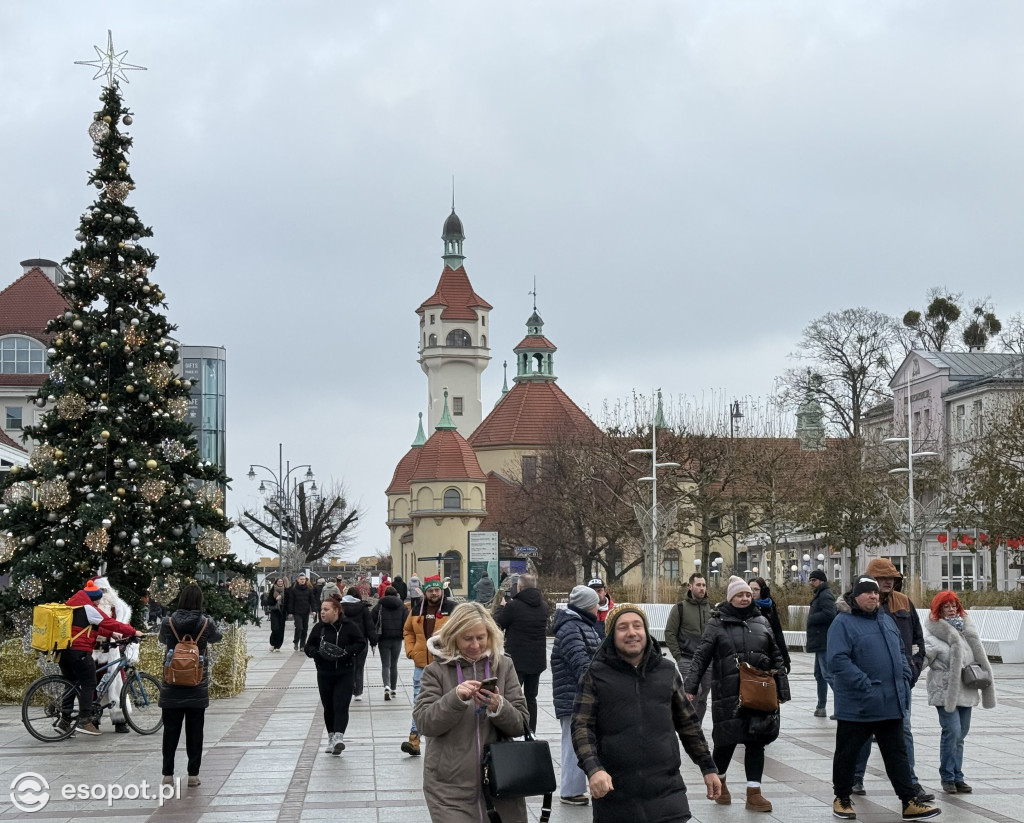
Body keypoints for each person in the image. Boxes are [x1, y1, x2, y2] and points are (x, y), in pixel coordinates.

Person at [572, 604, 722, 822]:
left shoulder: (667, 671)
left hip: (667, 791)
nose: (632, 633)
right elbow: (581, 726)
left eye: (637, 626)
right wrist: (593, 769)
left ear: (646, 631)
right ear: (611, 636)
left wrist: (707, 766)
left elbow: (688, 723)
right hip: (615, 793)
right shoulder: (595, 675)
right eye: (622, 627)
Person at [828, 576, 940, 821]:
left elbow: (900, 649)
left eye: (876, 593)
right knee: (848, 754)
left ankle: (909, 801)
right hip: (858, 705)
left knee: (896, 754)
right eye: (868, 593)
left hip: (890, 702)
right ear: (856, 595)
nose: (874, 597)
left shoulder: (885, 619)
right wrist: (865, 685)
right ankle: (842, 799)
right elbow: (837, 660)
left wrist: (905, 675)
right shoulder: (843, 622)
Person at [414, 601, 530, 823]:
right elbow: (425, 723)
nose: (475, 645)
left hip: (502, 780)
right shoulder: (435, 671)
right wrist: (454, 699)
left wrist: (499, 706)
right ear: (454, 636)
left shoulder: (504, 666)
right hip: (448, 787)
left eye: (481, 637)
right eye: (468, 638)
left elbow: (521, 723)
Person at [684, 576, 790, 812]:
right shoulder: (717, 623)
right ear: (730, 597)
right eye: (739, 595)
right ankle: (720, 782)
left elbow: (776, 656)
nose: (744, 598)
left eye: (747, 595)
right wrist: (691, 687)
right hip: (728, 694)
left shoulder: (762, 621)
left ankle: (754, 792)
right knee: (726, 741)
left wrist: (782, 688)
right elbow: (701, 656)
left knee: (757, 741)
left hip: (758, 693)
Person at [852, 558, 932, 801]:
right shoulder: (857, 605)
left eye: (892, 578)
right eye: (882, 578)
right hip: (868, 683)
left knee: (904, 731)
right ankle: (855, 777)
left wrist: (913, 670)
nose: (888, 582)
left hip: (900, 683)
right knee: (863, 733)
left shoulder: (904, 602)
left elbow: (918, 641)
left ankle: (911, 783)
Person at [923, 591, 996, 794]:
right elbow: (921, 661)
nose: (952, 609)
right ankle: (947, 776)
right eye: (946, 606)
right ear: (938, 610)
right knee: (952, 731)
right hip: (945, 690)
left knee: (961, 735)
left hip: (966, 689)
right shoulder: (933, 636)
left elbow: (977, 658)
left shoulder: (967, 631)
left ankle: (957, 776)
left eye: (954, 605)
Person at [158, 583, 222, 786]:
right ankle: (193, 775)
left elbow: (162, 639)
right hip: (196, 683)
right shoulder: (205, 622)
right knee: (195, 732)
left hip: (172, 682)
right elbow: (217, 637)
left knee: (170, 731)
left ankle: (167, 775)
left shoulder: (168, 622)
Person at [60, 579, 142, 736]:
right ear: (93, 597)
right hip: (81, 652)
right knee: (89, 684)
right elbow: (109, 622)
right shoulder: (89, 608)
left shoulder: (72, 604)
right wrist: (133, 632)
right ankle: (85, 721)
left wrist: (111, 634)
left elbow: (90, 627)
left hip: (65, 651)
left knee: (71, 683)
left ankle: (64, 721)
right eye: (99, 596)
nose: (100, 600)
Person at [551, 585, 603, 806]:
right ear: (586, 606)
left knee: (583, 741)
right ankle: (570, 790)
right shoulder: (572, 628)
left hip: (580, 695)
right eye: (595, 605)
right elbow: (580, 663)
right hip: (573, 696)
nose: (598, 609)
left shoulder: (582, 625)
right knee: (573, 743)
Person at [305, 593, 366, 756]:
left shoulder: (349, 626)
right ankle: (331, 737)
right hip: (324, 673)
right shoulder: (319, 628)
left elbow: (361, 643)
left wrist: (347, 652)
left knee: (341, 705)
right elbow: (308, 647)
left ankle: (339, 737)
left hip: (344, 672)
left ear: (337, 610)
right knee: (328, 707)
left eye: (326, 609)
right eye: (321, 610)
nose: (322, 612)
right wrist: (317, 653)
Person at [401, 574, 455, 755]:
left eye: (437, 590)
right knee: (419, 701)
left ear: (442, 590)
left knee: (446, 700)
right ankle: (414, 739)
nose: (434, 593)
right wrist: (411, 650)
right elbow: (408, 630)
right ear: (425, 592)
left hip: (445, 663)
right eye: (430, 590)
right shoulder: (417, 609)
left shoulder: (452, 608)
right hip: (421, 665)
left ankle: (445, 736)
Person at [494, 572, 548, 733]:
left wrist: (501, 607)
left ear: (520, 587)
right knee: (531, 698)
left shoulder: (513, 606)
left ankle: (510, 729)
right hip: (537, 660)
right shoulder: (543, 606)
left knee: (511, 697)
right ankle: (531, 731)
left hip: (516, 660)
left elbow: (497, 625)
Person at [664, 572, 713, 722]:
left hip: (707, 660)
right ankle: (687, 723)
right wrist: (678, 656)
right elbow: (670, 633)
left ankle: (695, 728)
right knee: (694, 691)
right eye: (698, 585)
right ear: (690, 586)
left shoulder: (711, 608)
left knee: (703, 696)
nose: (702, 588)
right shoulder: (680, 608)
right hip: (687, 658)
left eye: (704, 585)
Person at [91, 575, 136, 733]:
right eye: (99, 591)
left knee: (117, 685)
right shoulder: (91, 608)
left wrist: (128, 637)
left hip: (113, 651)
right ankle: (93, 719)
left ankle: (119, 719)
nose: (102, 594)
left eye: (105, 590)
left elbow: (123, 625)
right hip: (94, 651)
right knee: (93, 685)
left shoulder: (119, 608)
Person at [806, 568, 837, 718]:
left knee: (828, 675)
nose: (812, 583)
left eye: (814, 580)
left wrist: (812, 618)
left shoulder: (825, 595)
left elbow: (830, 614)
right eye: (811, 580)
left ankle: (841, 705)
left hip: (824, 642)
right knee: (820, 675)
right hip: (820, 641)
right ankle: (821, 706)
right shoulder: (820, 594)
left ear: (821, 581)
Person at [370, 585, 409, 700]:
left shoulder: (379, 606)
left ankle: (386, 686)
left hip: (383, 638)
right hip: (397, 639)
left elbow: (371, 620)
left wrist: (373, 637)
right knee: (394, 664)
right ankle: (393, 689)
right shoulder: (402, 606)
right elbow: (406, 623)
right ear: (396, 594)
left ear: (385, 594)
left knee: (385, 664)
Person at [341, 586, 378, 701]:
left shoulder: (341, 607)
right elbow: (369, 627)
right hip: (361, 642)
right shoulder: (363, 608)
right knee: (359, 667)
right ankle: (358, 693)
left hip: (346, 642)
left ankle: (348, 689)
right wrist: (373, 642)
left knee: (347, 666)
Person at [749, 577, 791, 674]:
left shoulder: (769, 607)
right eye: (750, 589)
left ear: (762, 591)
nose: (752, 592)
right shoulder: (745, 606)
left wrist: (785, 658)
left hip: (768, 650)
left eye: (756, 589)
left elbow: (777, 632)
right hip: (752, 651)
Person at [287, 574, 318, 651]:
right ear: (297, 580)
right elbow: (291, 602)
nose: (302, 580)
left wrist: (314, 610)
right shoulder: (293, 590)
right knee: (299, 628)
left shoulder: (309, 590)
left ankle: (302, 645)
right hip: (297, 612)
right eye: (301, 579)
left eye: (304, 579)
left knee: (305, 629)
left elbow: (312, 601)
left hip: (306, 612)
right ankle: (296, 641)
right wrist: (290, 612)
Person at [266, 577, 289, 652]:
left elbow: (288, 602)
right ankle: (273, 644)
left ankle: (278, 645)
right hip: (275, 611)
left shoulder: (286, 590)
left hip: (282, 612)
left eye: (281, 581)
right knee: (275, 628)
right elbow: (269, 601)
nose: (280, 583)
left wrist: (289, 612)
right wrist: (275, 600)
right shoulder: (273, 590)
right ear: (276, 582)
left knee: (281, 629)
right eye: (279, 581)